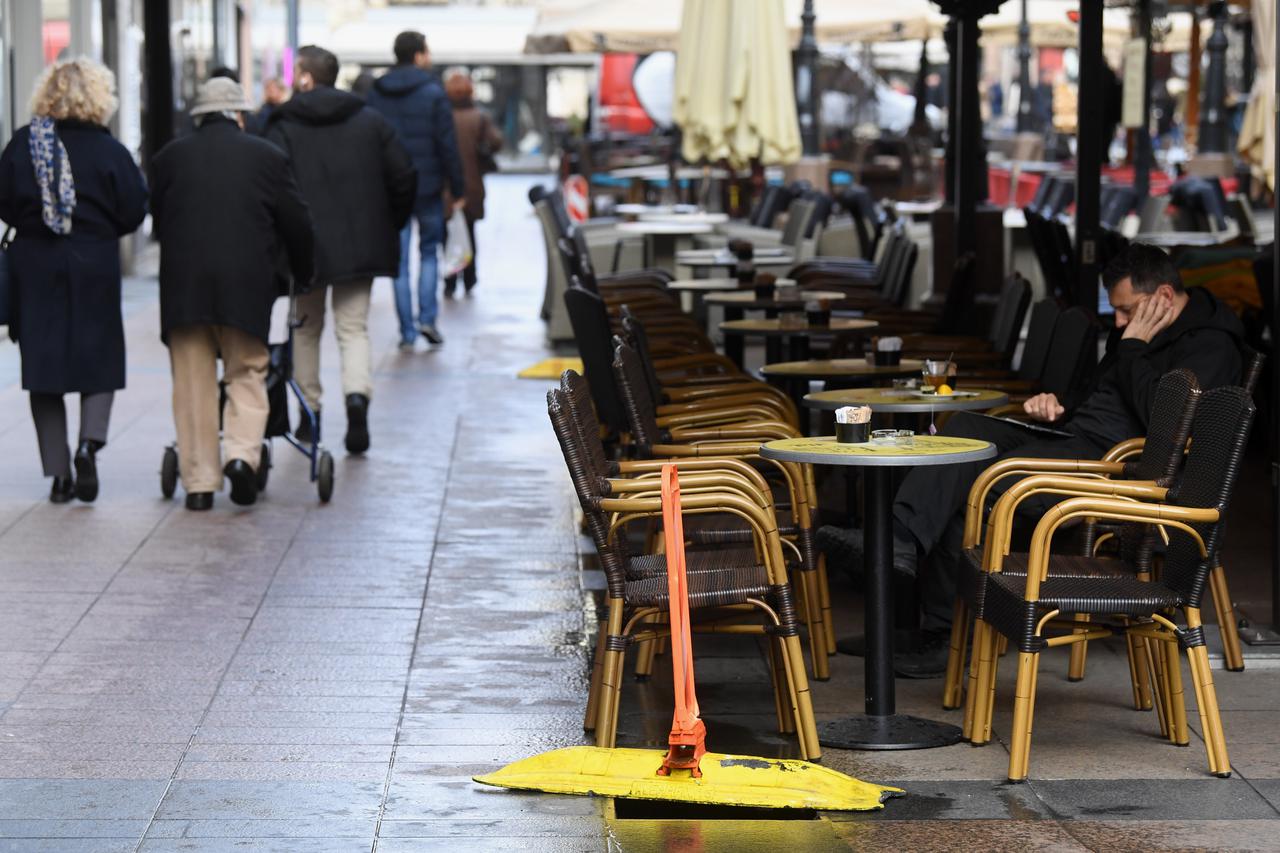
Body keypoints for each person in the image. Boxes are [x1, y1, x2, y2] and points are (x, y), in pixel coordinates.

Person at [823, 243, 1245, 676]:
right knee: (966, 432)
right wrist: (1059, 404)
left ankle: (946, 635)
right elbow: (1102, 396)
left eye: (1125, 311)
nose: (1118, 323)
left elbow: (1168, 423)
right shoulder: (1138, 330)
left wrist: (1132, 347)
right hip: (1075, 435)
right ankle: (899, 541)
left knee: (979, 484)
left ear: (1164, 297)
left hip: (1116, 463)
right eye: (1116, 313)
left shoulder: (1210, 344)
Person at [150, 78, 314, 511]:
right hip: (247, 285)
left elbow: (159, 221)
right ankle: (241, 457)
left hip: (184, 289)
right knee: (247, 372)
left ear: (199, 117)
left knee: (192, 384)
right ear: (239, 115)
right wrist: (304, 272)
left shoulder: (169, 158)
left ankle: (201, 484)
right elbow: (298, 223)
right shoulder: (267, 157)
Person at [0, 58, 147, 503]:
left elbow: (4, 203)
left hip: (35, 262)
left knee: (42, 366)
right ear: (100, 98)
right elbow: (135, 209)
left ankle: (59, 473)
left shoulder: (23, 144)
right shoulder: (110, 151)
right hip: (94, 260)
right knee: (98, 357)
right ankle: (89, 444)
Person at [266, 45, 416, 455]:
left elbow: (271, 185)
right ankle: (356, 403)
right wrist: (388, 223)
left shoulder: (283, 124)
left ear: (306, 77)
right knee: (353, 329)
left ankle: (309, 415)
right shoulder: (370, 121)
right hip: (360, 243)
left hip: (305, 247)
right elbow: (404, 175)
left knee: (306, 328)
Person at [366, 30, 465, 348]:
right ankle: (428, 321)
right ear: (419, 55)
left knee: (400, 260)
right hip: (428, 185)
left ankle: (407, 331)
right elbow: (447, 145)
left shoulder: (376, 92)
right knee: (429, 253)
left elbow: (370, 142)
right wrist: (457, 186)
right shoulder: (433, 93)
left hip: (391, 187)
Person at [442, 71, 501, 298]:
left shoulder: (442, 116)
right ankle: (469, 277)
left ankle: (449, 279)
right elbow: (495, 142)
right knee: (469, 232)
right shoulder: (479, 117)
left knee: (447, 234)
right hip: (472, 184)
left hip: (445, 187)